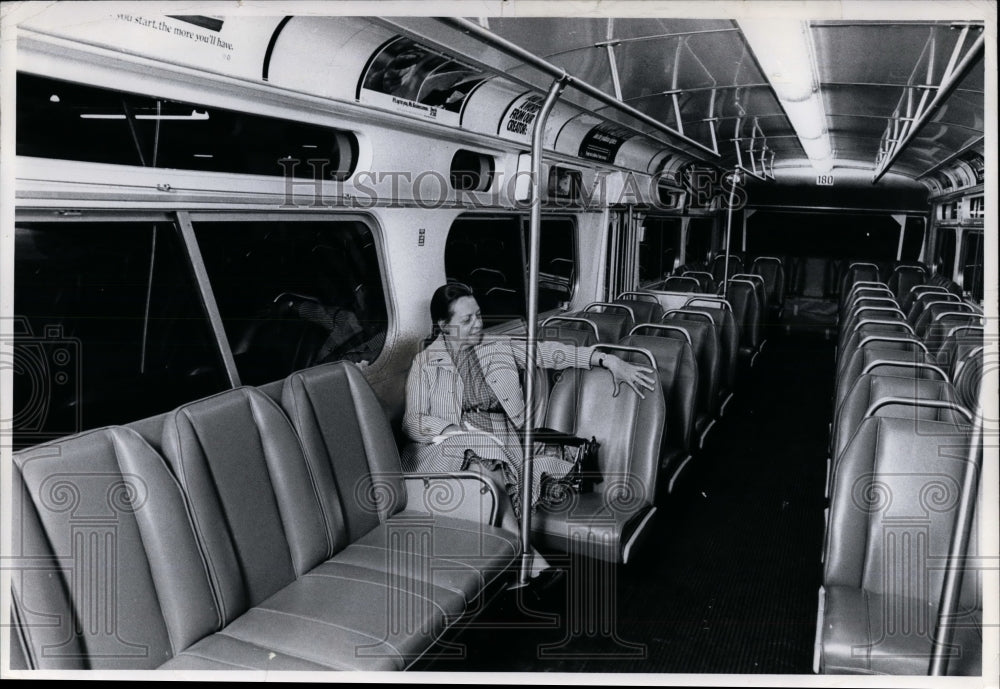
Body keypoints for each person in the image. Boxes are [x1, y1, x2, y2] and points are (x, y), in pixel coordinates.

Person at [401, 282, 656, 582]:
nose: (477, 324)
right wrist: (451, 428)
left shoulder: (497, 346)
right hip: (446, 446)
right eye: (466, 320)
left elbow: (549, 353)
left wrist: (605, 359)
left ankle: (519, 567)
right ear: (443, 326)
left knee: (486, 473)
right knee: (483, 472)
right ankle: (528, 560)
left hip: (499, 440)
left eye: (479, 316)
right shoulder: (425, 363)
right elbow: (412, 421)